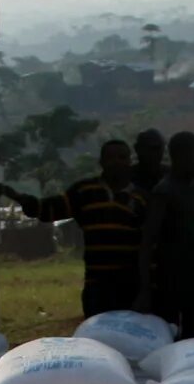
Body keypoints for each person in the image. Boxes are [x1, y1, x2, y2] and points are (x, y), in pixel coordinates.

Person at [16, 136, 145, 318]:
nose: (117, 162)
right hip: (97, 285)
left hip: (130, 285)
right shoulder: (84, 191)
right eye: (111, 158)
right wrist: (18, 197)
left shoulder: (141, 199)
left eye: (122, 157)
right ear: (102, 162)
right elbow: (48, 210)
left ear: (130, 162)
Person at [139, 132, 194, 336]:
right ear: (180, 157)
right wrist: (145, 288)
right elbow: (147, 243)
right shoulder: (165, 192)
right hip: (175, 285)